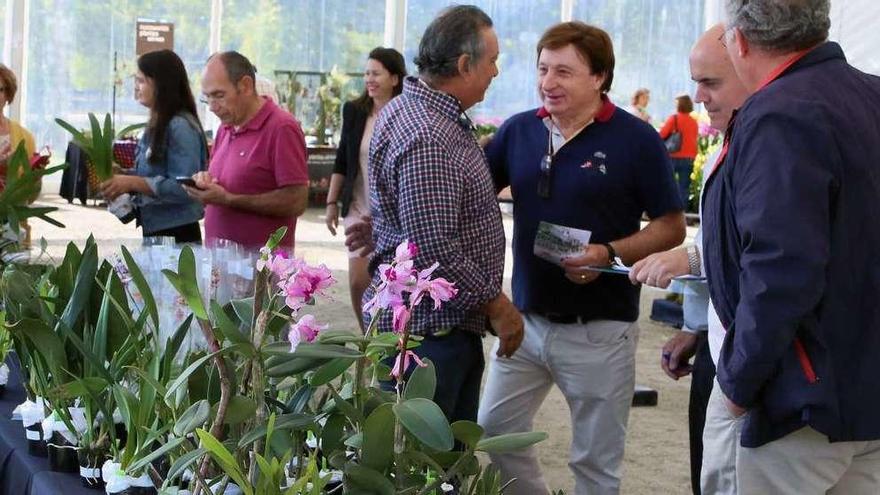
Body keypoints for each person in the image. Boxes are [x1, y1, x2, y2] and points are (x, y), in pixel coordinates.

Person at [479, 22, 685, 495]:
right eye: (543, 69)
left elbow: (670, 225)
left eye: (564, 72)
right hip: (525, 321)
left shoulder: (637, 140)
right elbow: (474, 197)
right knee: (495, 432)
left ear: (599, 77)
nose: (548, 82)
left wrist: (607, 253)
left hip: (600, 330)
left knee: (594, 463)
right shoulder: (517, 131)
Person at [703, 0, 880, 492]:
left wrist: (737, 383)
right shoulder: (870, 94)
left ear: (739, 41)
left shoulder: (780, 111)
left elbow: (782, 269)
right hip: (861, 396)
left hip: (797, 405)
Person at [366, 5, 524, 424]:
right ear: (464, 64)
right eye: (492, 61)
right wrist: (497, 304)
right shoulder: (429, 136)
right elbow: (433, 251)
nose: (495, 72)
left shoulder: (415, 112)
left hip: (432, 332)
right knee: (431, 470)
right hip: (431, 338)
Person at [629, 23, 750, 495]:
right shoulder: (730, 137)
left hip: (749, 371)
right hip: (723, 353)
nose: (698, 96)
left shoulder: (772, 138)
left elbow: (770, 256)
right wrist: (697, 327)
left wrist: (690, 258)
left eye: (711, 82)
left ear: (749, 62)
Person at [186, 51, 308, 250]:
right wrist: (205, 182)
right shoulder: (225, 128)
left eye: (219, 95)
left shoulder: (281, 128)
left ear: (246, 86)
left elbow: (296, 201)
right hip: (221, 266)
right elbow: (230, 181)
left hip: (260, 270)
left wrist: (228, 199)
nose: (212, 107)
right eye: (207, 98)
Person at [325, 47, 406, 332]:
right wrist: (332, 202)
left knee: (391, 281)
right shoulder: (355, 111)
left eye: (376, 74)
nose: (369, 79)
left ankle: (391, 338)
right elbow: (342, 159)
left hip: (394, 214)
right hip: (359, 207)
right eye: (367, 73)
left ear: (395, 78)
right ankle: (368, 340)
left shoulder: (407, 115)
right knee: (359, 281)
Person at [99, 50, 207, 244]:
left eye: (141, 81)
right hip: (156, 229)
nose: (136, 88)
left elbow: (186, 187)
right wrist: (124, 176)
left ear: (161, 84)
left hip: (177, 233)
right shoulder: (157, 124)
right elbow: (155, 172)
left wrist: (133, 183)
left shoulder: (179, 126)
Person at [658, 94, 699, 209]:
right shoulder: (693, 122)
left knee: (666, 184)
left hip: (673, 156)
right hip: (689, 158)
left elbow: (662, 135)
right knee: (684, 187)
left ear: (679, 105)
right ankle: (682, 213)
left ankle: (664, 212)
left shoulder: (674, 118)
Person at [0, 64, 35, 177]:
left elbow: (32, 191)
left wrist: (37, 176)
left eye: (0, 90)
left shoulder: (25, 137)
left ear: (7, 94)